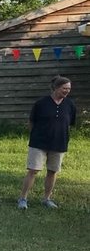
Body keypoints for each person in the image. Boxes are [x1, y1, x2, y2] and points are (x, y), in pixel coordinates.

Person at [17, 75, 75, 210]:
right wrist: (37, 136)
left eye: (69, 89)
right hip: (39, 143)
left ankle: (46, 199)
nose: (67, 91)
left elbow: (70, 123)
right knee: (33, 170)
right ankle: (23, 198)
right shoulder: (41, 103)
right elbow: (31, 122)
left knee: (52, 171)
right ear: (55, 88)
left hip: (59, 143)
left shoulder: (70, 104)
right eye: (64, 88)